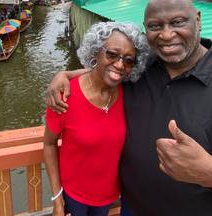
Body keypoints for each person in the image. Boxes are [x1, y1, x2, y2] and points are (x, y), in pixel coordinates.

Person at [47, 0, 212, 216]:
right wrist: (64, 75)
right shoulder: (139, 69)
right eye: (155, 26)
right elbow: (106, 69)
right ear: (146, 29)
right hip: (130, 208)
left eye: (178, 22)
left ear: (198, 19)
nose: (166, 34)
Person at [44, 22, 150, 216]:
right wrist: (57, 197)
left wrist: (64, 72)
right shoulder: (65, 96)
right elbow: (49, 144)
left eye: (128, 60)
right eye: (111, 54)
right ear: (95, 53)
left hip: (109, 195)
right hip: (73, 195)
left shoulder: (128, 91)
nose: (119, 64)